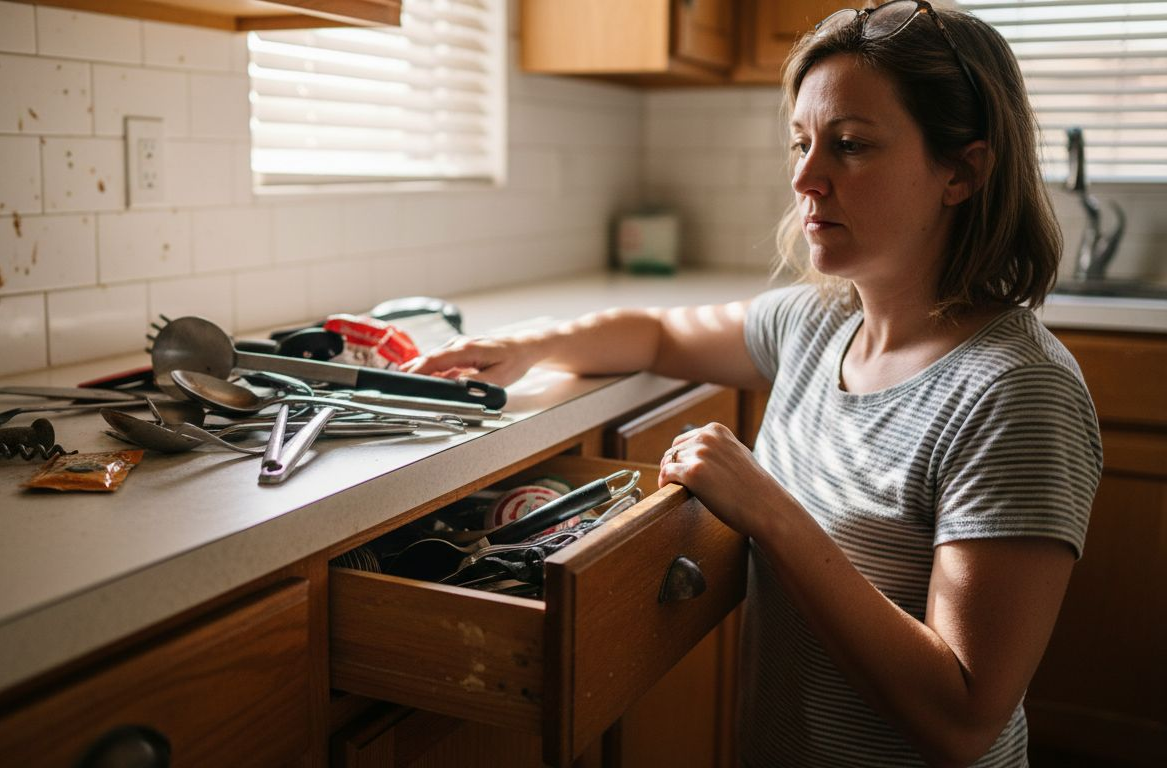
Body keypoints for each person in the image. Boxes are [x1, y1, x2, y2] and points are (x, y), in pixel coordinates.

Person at [401, 2, 1103, 765]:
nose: (805, 177)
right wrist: (519, 347)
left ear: (962, 171)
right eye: (801, 143)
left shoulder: (1017, 394)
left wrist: (771, 511)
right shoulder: (818, 323)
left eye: (851, 146)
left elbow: (963, 718)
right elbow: (661, 332)